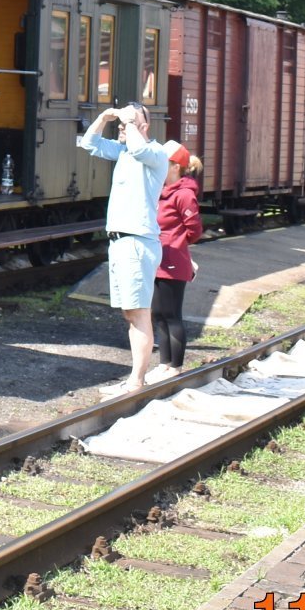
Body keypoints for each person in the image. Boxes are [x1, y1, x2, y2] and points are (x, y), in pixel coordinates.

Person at [78, 102, 177, 398]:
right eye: (122, 125)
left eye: (130, 123)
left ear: (144, 125)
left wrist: (131, 121)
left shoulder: (156, 154)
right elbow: (89, 143)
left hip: (137, 241)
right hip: (121, 241)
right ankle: (135, 379)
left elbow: (139, 149)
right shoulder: (123, 151)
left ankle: (136, 381)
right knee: (130, 312)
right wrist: (104, 117)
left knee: (139, 312)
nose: (123, 128)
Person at [149, 148, 204, 379]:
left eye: (165, 162)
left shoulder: (183, 194)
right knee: (157, 313)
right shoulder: (161, 191)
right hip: (158, 259)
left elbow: (195, 230)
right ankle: (164, 364)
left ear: (175, 167)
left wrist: (178, 243)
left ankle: (175, 367)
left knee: (172, 314)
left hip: (173, 260)